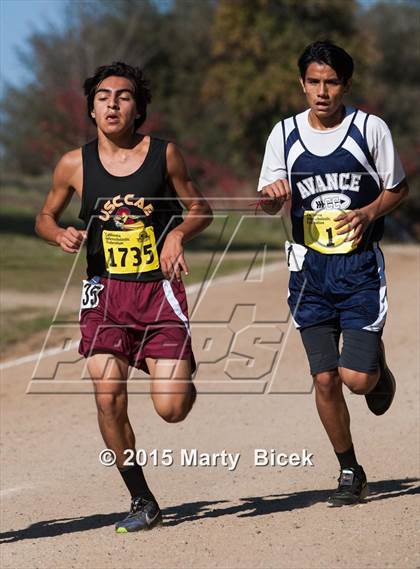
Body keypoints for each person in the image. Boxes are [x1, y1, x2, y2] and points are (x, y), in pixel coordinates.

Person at [35, 61, 212, 531]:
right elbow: (44, 217)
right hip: (105, 294)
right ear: (92, 109)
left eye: (124, 96)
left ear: (138, 109)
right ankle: (141, 499)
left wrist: (176, 235)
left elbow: (202, 209)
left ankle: (180, 371)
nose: (113, 103)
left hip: (157, 293)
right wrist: (59, 235)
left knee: (171, 409)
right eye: (103, 97)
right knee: (108, 396)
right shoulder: (74, 164)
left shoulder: (165, 156)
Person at [257, 41, 408, 506]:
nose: (322, 92)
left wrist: (368, 212)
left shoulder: (369, 129)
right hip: (309, 272)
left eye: (332, 82)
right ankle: (350, 469)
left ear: (345, 84)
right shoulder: (283, 134)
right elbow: (264, 201)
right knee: (324, 378)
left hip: (359, 267)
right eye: (314, 82)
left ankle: (375, 367)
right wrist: (272, 195)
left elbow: (398, 187)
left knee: (356, 380)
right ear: (301, 83)